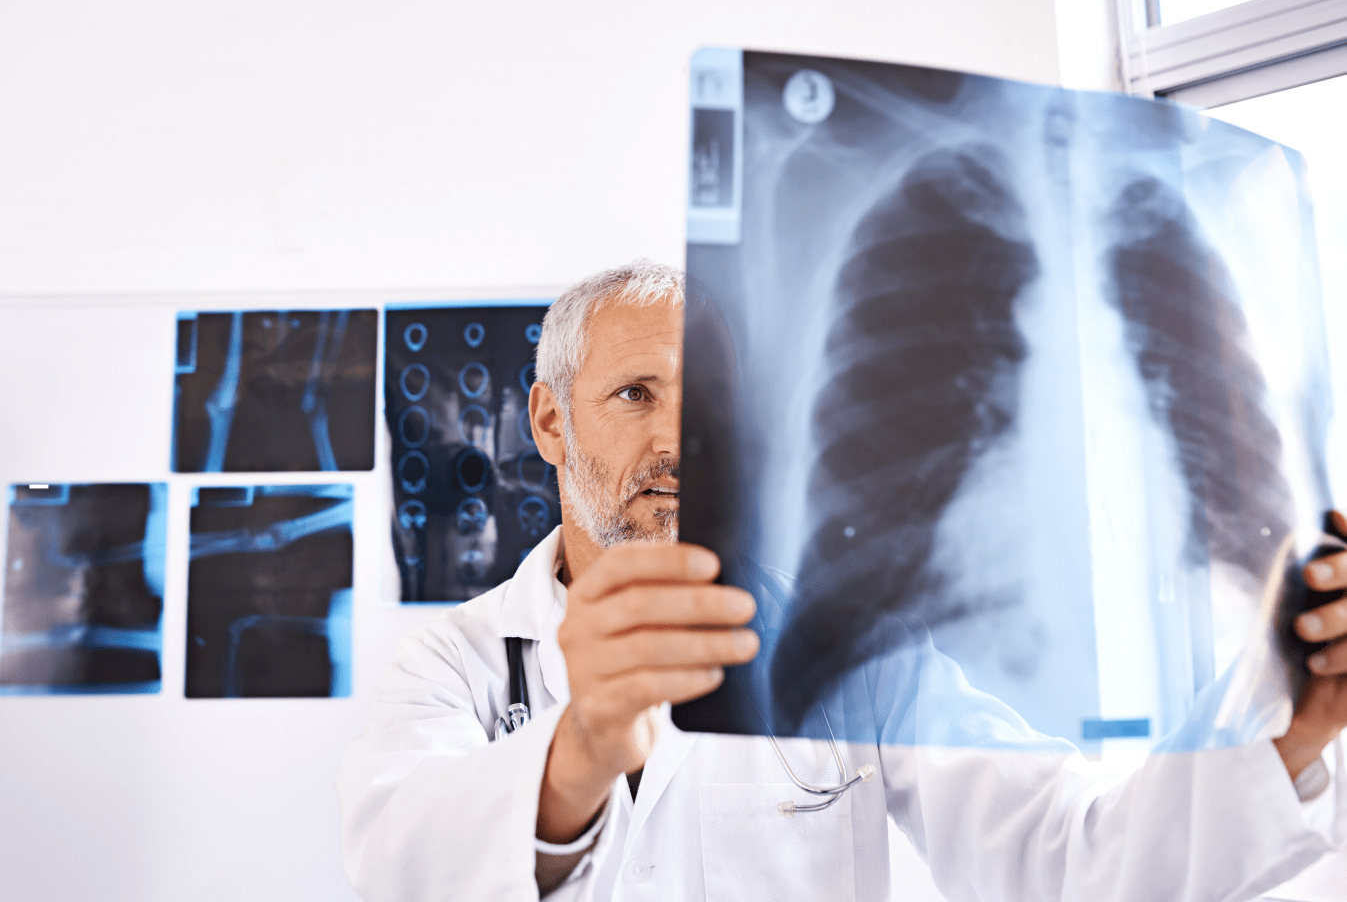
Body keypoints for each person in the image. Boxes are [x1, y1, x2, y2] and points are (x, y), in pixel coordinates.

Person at [336, 261, 1346, 901]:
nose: (677, 435)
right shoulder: (455, 662)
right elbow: (395, 863)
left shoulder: (854, 654)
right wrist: (582, 749)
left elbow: (1069, 855)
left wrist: (1295, 732)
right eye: (635, 394)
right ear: (551, 422)